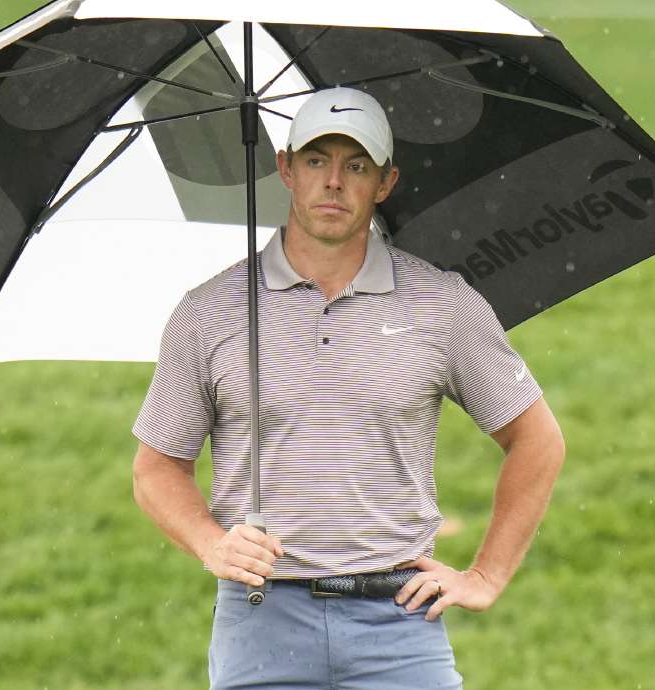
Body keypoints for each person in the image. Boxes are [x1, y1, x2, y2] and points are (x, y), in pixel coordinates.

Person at [131, 86, 566, 690]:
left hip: (398, 621)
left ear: (385, 183)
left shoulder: (444, 306)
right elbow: (155, 469)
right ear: (285, 169)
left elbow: (538, 440)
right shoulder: (208, 313)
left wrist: (485, 577)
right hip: (261, 625)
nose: (334, 182)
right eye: (317, 161)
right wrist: (211, 543)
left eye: (356, 165)